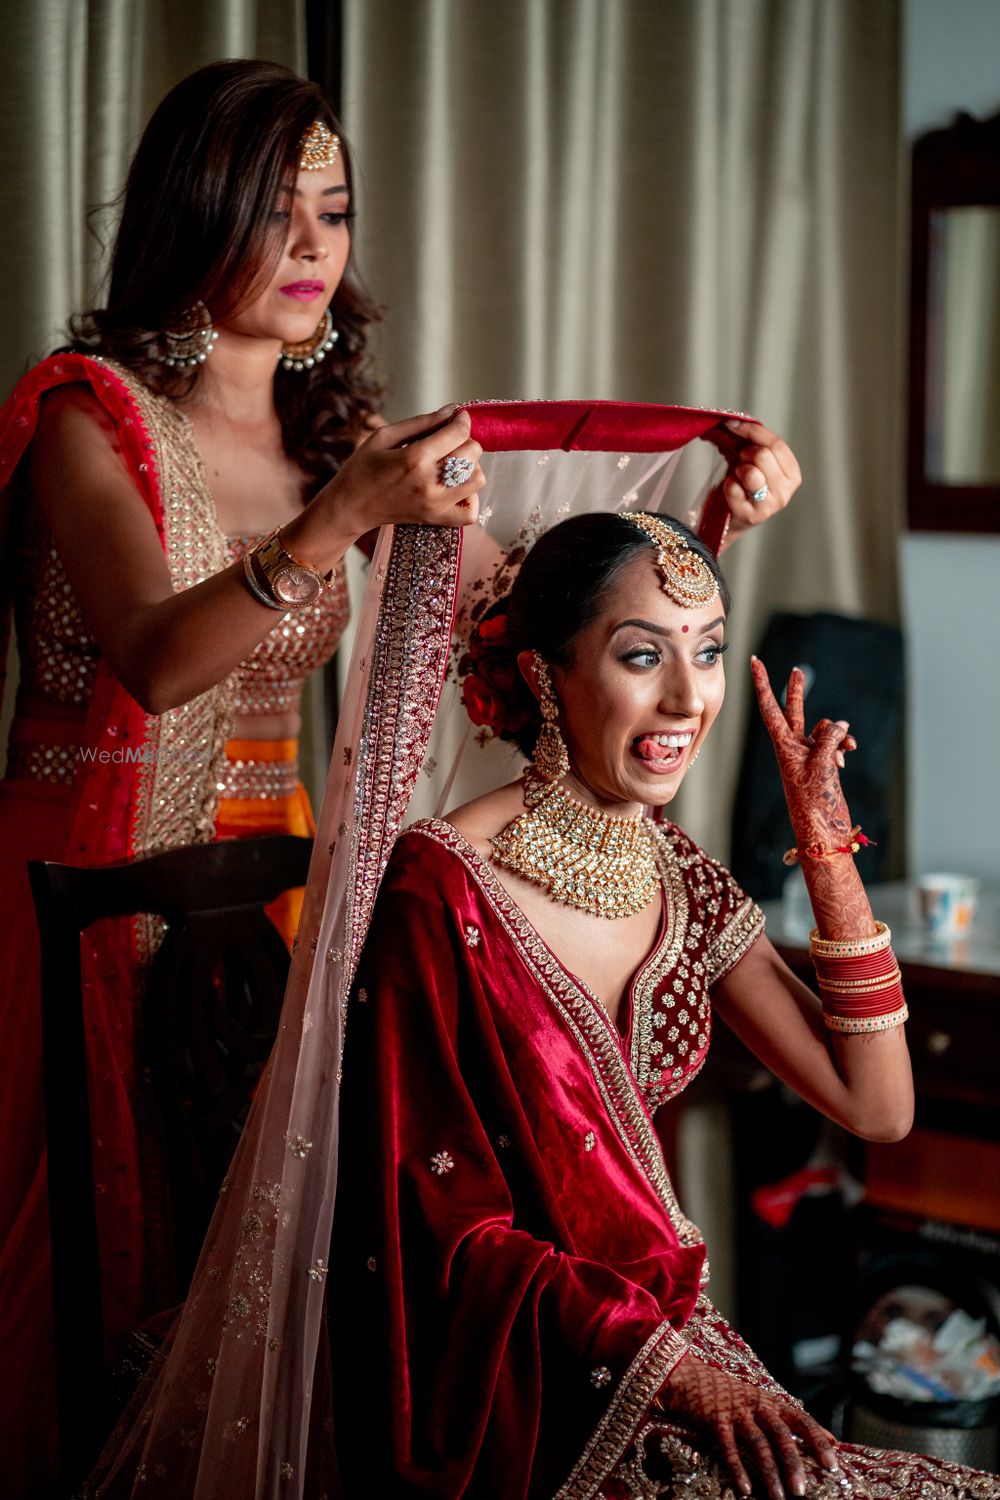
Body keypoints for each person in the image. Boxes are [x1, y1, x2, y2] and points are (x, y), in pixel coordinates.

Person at [0, 58, 488, 1498]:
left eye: (331, 212)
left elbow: (500, 618)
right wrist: (332, 526)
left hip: (272, 895)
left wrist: (704, 495)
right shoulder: (90, 416)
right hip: (77, 899)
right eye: (273, 211)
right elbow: (155, 657)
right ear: (191, 218)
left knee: (247, 1265)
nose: (312, 244)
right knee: (83, 1267)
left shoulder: (333, 439)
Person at [323, 511, 998, 1498]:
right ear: (546, 675)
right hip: (518, 1377)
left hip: (674, 1342)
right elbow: (432, 1224)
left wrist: (827, 860)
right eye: (643, 655)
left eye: (711, 652)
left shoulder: (672, 870)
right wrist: (669, 1369)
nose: (690, 696)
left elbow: (878, 1107)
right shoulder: (443, 889)